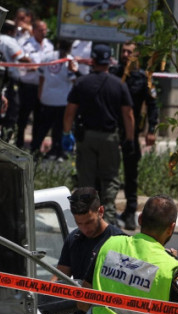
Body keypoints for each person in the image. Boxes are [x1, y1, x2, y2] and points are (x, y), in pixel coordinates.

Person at [62, 43, 135, 226]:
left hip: (86, 136)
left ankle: (87, 216)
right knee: (109, 177)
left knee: (86, 178)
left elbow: (70, 111)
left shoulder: (81, 82)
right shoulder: (118, 84)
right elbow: (128, 114)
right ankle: (108, 217)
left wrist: (66, 133)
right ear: (110, 61)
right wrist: (130, 138)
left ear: (93, 60)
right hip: (109, 137)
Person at [55, 187, 125, 314]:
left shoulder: (119, 241)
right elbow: (60, 278)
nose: (84, 228)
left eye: (89, 222)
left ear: (101, 211)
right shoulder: (74, 239)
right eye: (79, 223)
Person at [110, 42, 159, 231]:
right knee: (109, 172)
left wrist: (152, 129)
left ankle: (130, 212)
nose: (125, 54)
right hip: (112, 130)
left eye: (129, 52)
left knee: (131, 174)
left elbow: (153, 105)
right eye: (123, 51)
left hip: (132, 132)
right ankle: (109, 210)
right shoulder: (113, 73)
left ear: (137, 55)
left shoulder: (143, 78)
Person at [31, 39, 77, 160]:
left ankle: (34, 150)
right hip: (63, 99)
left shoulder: (47, 57)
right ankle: (57, 151)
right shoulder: (70, 60)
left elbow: (41, 76)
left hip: (47, 98)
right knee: (59, 128)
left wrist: (40, 93)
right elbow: (74, 79)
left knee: (43, 127)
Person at [16, 17, 53, 152]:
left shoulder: (49, 45)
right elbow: (22, 63)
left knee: (40, 117)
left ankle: (35, 146)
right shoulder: (26, 45)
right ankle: (19, 143)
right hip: (28, 86)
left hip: (42, 87)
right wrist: (31, 66)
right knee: (23, 116)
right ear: (34, 30)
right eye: (41, 30)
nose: (44, 32)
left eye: (45, 30)